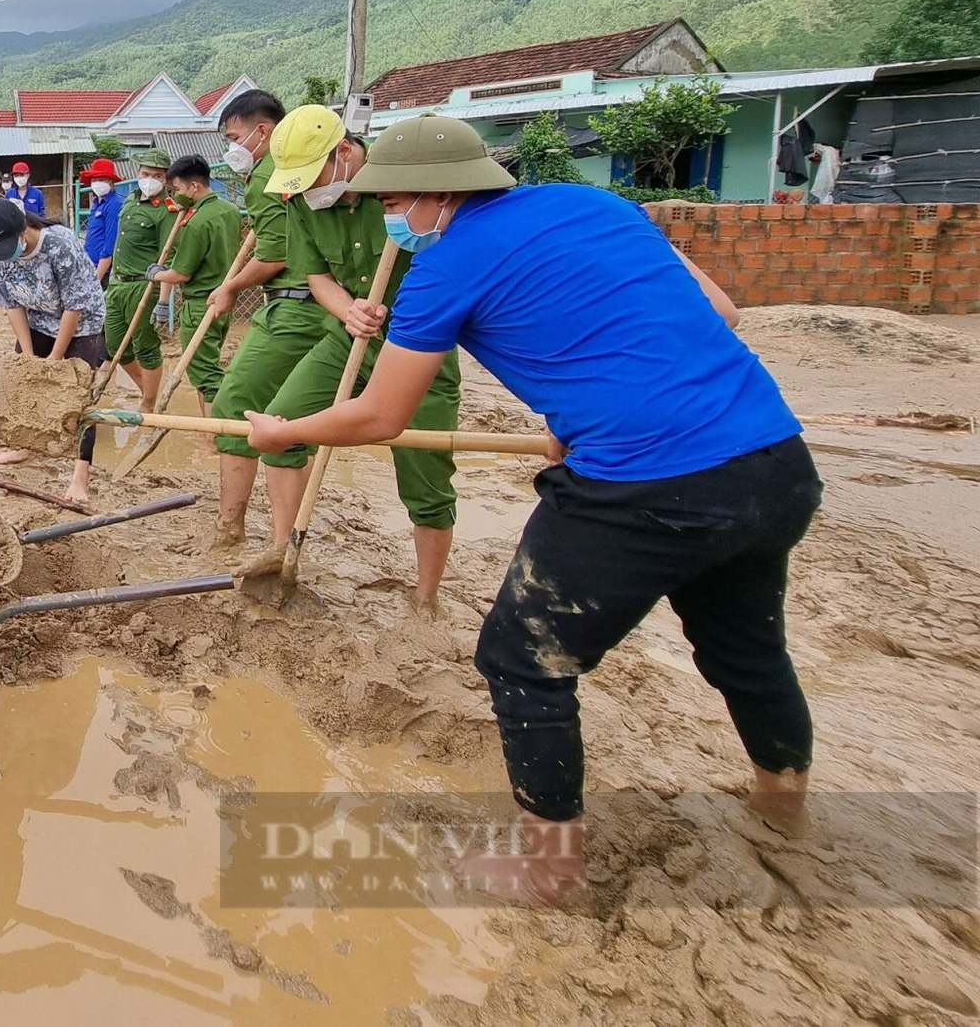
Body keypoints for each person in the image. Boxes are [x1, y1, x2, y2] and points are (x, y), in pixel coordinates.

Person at [244, 114, 820, 906]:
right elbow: (717, 314)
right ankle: (780, 802)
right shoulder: (605, 207)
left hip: (646, 486)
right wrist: (567, 417)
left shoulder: (447, 268)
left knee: (522, 661)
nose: (394, 220)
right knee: (745, 650)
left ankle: (551, 872)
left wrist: (286, 430)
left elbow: (380, 416)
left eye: (399, 202)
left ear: (441, 194)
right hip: (774, 464)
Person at [223, 107, 465, 598]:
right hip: (348, 338)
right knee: (281, 426)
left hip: (421, 347)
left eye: (315, 177)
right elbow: (317, 276)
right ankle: (282, 549)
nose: (310, 191)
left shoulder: (406, 195)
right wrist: (348, 311)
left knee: (426, 478)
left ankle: (426, 596)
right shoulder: (300, 201)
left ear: (346, 152)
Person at [202, 90, 318, 549]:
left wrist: (230, 287)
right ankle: (283, 540)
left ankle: (230, 526)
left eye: (234, 136)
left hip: (295, 306)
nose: (232, 147)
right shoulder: (299, 172)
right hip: (326, 305)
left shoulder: (269, 175)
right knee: (288, 419)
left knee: (235, 406)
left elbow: (275, 256)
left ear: (263, 131)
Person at [0, 199, 107, 506]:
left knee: (78, 398)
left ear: (23, 230)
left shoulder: (60, 244)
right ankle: (26, 445)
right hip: (36, 318)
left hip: (81, 321)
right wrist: (29, 357)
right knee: (22, 382)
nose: (3, 256)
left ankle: (79, 476)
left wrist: (53, 360)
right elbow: (11, 305)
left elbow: (75, 305)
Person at [149, 154, 244, 408]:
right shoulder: (230, 211)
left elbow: (181, 273)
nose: (175, 194)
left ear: (194, 186)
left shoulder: (198, 222)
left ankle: (216, 437)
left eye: (177, 189)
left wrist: (156, 274)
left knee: (205, 376)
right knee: (208, 366)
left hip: (200, 304)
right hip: (224, 300)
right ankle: (211, 432)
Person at [101, 148, 179, 400]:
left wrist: (164, 301)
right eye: (145, 173)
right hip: (118, 284)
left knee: (146, 347)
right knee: (115, 347)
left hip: (143, 286)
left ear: (165, 179)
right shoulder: (130, 200)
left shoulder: (166, 211)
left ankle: (148, 404)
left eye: (157, 175)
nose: (150, 179)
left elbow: (168, 258)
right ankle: (148, 391)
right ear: (137, 173)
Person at [79, 157, 123, 281]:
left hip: (104, 271)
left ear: (111, 181)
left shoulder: (114, 204)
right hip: (90, 265)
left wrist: (96, 281)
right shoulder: (98, 203)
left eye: (102, 179)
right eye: (94, 179)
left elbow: (110, 245)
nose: (98, 182)